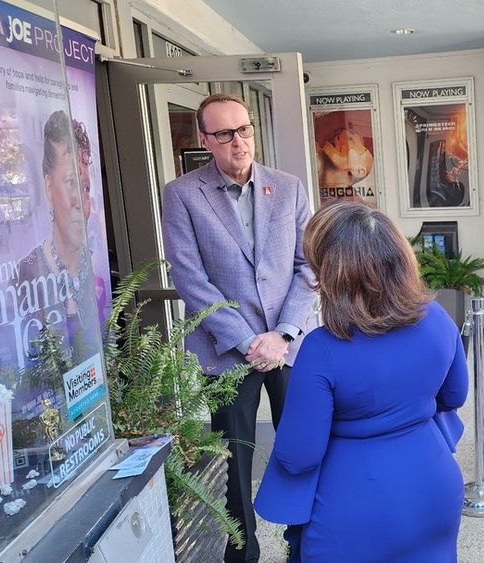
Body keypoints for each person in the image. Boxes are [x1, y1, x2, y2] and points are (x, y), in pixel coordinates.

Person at [254, 201, 468, 562]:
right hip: (435, 487)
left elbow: (298, 456)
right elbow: (455, 394)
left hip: (353, 509)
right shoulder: (436, 315)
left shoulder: (322, 348)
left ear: (332, 274)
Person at [161, 93, 318, 562]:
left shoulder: (288, 187)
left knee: (303, 449)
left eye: (244, 129)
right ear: (205, 139)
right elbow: (190, 278)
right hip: (227, 350)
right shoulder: (182, 194)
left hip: (289, 345)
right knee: (234, 461)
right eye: (225, 133)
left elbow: (309, 265)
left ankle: (306, 544)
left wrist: (282, 333)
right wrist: (250, 340)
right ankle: (242, 553)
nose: (239, 142)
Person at [17, 110, 99, 364]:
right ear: (49, 188)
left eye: (85, 187)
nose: (79, 201)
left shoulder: (96, 268)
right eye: (70, 183)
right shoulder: (26, 274)